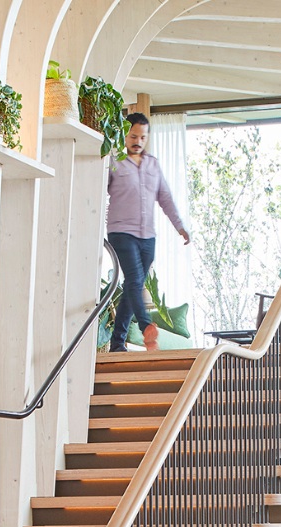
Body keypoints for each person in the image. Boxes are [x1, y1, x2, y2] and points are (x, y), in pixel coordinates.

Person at [105, 112, 191, 353]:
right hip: (121, 232)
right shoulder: (114, 161)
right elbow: (98, 189)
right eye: (134, 136)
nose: (138, 141)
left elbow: (165, 197)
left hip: (147, 237)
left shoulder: (153, 164)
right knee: (134, 281)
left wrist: (180, 226)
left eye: (143, 137)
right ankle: (146, 327)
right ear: (125, 134)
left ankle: (117, 343)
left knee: (132, 286)